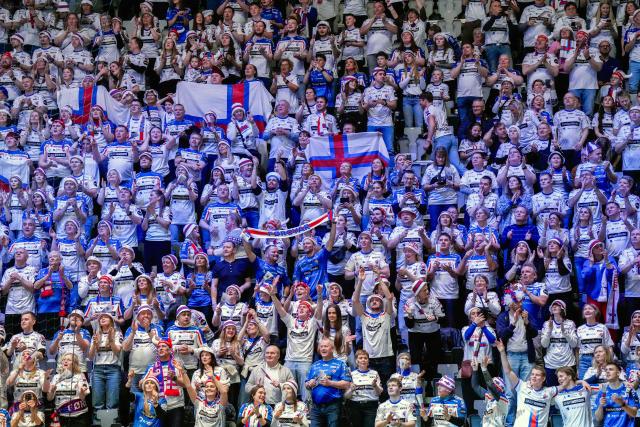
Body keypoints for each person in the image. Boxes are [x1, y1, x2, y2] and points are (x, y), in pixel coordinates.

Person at [304, 338, 351, 427]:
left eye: (326, 346)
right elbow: (306, 384)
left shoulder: (341, 364)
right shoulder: (315, 365)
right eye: (321, 346)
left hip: (333, 406)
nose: (323, 348)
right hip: (315, 407)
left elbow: (347, 384)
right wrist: (309, 383)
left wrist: (330, 383)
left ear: (332, 349)